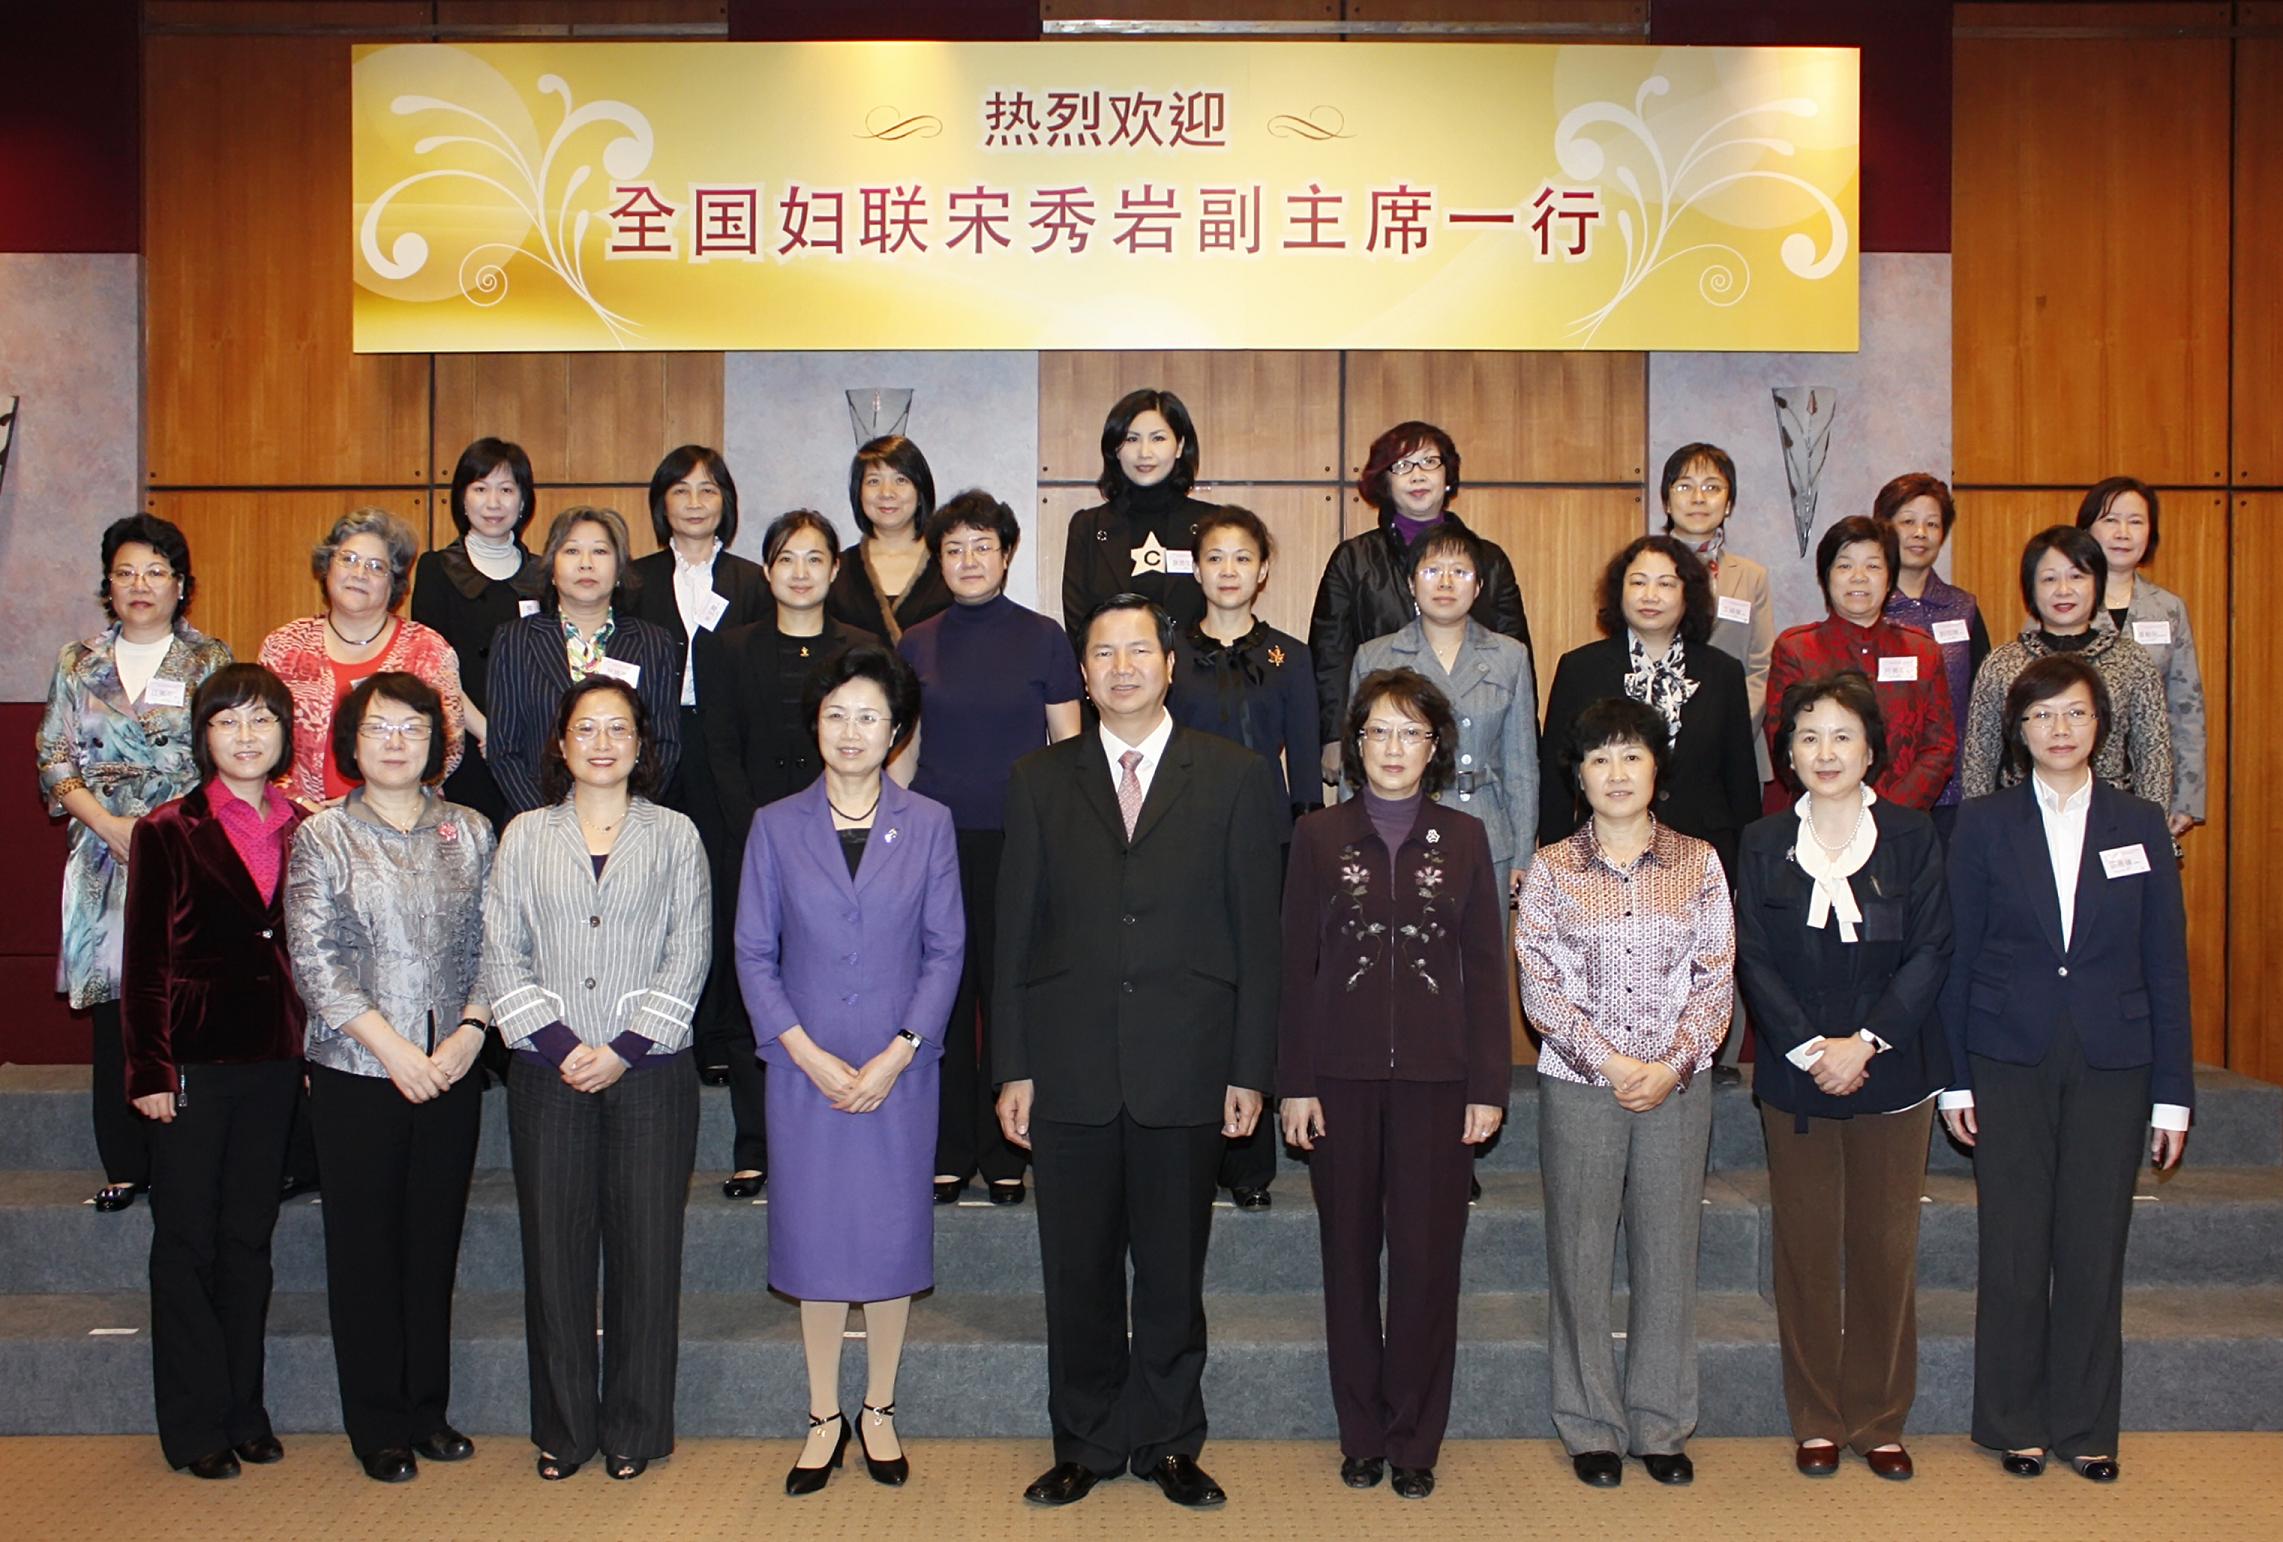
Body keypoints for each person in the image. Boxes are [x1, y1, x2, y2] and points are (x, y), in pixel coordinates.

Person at [994, 594, 1283, 1510]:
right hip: (1067, 1065)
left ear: (1169, 665)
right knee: (1075, 1271)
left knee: (1170, 1271)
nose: (1121, 667)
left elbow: (1258, 938)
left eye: (1137, 651)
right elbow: (1013, 937)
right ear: (1082, 675)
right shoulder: (1038, 779)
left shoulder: (1235, 776)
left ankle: (1166, 1440)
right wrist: (1012, 1064)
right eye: (1103, 654)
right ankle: (1083, 1440)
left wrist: (1249, 1069)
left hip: (1187, 1061)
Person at [1940, 654, 2191, 1484]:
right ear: (2017, 730)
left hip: (2114, 1059)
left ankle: (2086, 1426)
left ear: (2100, 727)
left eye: (2075, 713)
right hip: (2005, 1054)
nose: (2059, 729)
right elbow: (1957, 957)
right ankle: (2012, 1422)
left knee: (2093, 1245)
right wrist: (1956, 1078)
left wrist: (2172, 1096)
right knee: (2013, 1246)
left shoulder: (2139, 823)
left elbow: (2165, 963)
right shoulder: (1981, 823)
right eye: (2042, 715)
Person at [734, 645, 963, 1495]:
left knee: (890, 1238)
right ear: (815, 726)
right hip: (806, 1072)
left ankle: (880, 1409)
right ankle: (823, 1415)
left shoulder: (929, 823)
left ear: (895, 730)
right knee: (817, 1239)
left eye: (869, 716)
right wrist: (803, 1052)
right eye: (836, 715)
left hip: (899, 1071)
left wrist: (900, 1050)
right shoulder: (774, 825)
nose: (852, 731)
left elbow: (946, 950)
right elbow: (753, 953)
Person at [1279, 669, 1508, 1500]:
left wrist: (1488, 1085)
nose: (1392, 748)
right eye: (1377, 731)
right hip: (1336, 1080)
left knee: (1425, 1265)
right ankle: (1361, 1434)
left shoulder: (1466, 839)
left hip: (1437, 1081)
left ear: (1434, 746)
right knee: (1346, 1262)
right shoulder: (1316, 836)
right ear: (1355, 744)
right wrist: (1293, 1083)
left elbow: (1485, 970)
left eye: (1410, 732)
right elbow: (1294, 969)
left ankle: (1414, 1439)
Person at [480, 676, 709, 1482]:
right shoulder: (523, 835)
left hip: (651, 1071)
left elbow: (689, 951)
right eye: (586, 729)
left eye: (618, 729)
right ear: (560, 743)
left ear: (641, 745)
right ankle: (565, 1429)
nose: (602, 743)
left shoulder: (675, 834)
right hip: (547, 1071)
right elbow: (501, 950)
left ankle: (635, 1430)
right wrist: (556, 1040)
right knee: (555, 1254)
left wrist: (625, 1046)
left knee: (647, 1255)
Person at [1733, 672, 1952, 1482]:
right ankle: (1817, 1417)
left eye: (1841, 736)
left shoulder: (1910, 836)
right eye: (1807, 737)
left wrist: (1864, 1043)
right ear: (1787, 754)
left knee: (1884, 1248)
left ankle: (1878, 1418)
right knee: (1806, 1250)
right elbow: (1751, 955)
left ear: (1869, 751)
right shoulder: (1761, 842)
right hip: (1795, 1076)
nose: (1824, 752)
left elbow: (1931, 948)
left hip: (1893, 1070)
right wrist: (1808, 1048)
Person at [1517, 697, 1734, 1490]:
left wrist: (1671, 1064)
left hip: (1677, 1087)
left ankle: (1660, 1423)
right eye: (1599, 757)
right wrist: (1609, 1063)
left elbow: (1715, 976)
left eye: (1631, 755)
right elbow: (1539, 985)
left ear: (1656, 769)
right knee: (1579, 1256)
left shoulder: (1698, 862)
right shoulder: (1550, 868)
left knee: (1667, 1254)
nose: (1615, 772)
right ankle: (1590, 1426)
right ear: (1577, 775)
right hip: (1581, 1085)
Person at [285, 673, 495, 1483]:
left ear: (437, 741)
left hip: (453, 1067)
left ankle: (427, 1412)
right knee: (364, 1250)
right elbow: (317, 961)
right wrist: (393, 1050)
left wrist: (473, 1029)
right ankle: (376, 1424)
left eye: (413, 727)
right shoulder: (324, 836)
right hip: (357, 1072)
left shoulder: (470, 830)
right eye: (379, 728)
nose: (396, 742)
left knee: (432, 1244)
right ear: (352, 741)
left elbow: (496, 942)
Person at [118, 664, 305, 1479]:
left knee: (249, 1241)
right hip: (191, 1063)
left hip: (276, 1061)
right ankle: (195, 1425)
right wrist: (149, 1069)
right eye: (228, 721)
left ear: (285, 734)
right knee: (187, 1242)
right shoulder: (168, 829)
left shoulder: (305, 826)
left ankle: (245, 1412)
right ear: (204, 736)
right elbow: (144, 963)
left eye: (262, 720)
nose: (246, 736)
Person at [37, 514, 231, 1213]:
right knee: (115, 1009)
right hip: (104, 852)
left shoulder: (209, 660)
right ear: (108, 585)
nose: (140, 585)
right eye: (125, 573)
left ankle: (184, 1157)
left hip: (187, 852)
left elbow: (229, 755)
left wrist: (163, 830)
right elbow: (53, 756)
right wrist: (109, 824)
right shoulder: (77, 661)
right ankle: (124, 1161)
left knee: (184, 1003)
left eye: (156, 572)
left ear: (181, 585)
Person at [897, 491, 1084, 1206]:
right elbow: (905, 752)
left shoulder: (1044, 638)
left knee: (1009, 993)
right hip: (935, 845)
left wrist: (1066, 847)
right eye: (954, 548)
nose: (969, 560)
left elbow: (1068, 750)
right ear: (937, 560)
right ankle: (949, 1146)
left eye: (982, 546)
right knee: (944, 996)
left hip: (1021, 844)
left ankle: (1008, 1148)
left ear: (1007, 555)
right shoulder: (916, 641)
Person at [694, 508, 880, 1196]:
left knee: (835, 985)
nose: (800, 572)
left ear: (836, 569)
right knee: (759, 988)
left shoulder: (862, 647)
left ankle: (833, 1132)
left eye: (814, 558)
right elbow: (719, 750)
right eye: (786, 559)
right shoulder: (727, 647)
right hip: (754, 840)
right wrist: (761, 835)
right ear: (766, 570)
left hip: (846, 843)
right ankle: (756, 1144)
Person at [1167, 504, 1320, 1208]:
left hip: (1267, 840)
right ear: (1196, 570)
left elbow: (1306, 768)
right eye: (1214, 557)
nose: (1227, 571)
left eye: (1242, 558)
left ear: (1262, 572)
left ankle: (1250, 1166)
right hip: (1180, 842)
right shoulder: (1167, 650)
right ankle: (1190, 1152)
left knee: (1258, 990)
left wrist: (1304, 846)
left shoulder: (1290, 656)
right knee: (1191, 992)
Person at [625, 447, 769, 1197]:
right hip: (649, 747)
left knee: (720, 886)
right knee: (653, 891)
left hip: (722, 747)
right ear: (661, 502)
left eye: (707, 489)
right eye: (679, 489)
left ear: (726, 501)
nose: (693, 501)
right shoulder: (634, 578)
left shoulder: (749, 579)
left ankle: (716, 1030)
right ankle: (661, 1024)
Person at [1310, 421, 1533, 789]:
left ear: (1448, 476)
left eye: (1429, 462)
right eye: (1402, 465)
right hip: (1387, 737)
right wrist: (1335, 736)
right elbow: (1330, 653)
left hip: (1474, 737)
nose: (1417, 475)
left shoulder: (1488, 559)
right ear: (1385, 481)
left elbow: (1515, 653)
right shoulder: (1354, 558)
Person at [1538, 534, 1759, 877]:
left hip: (1704, 853)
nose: (1650, 595)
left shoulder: (1723, 672)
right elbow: (1557, 776)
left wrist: (1749, 871)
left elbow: (1740, 779)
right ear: (1619, 591)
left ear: (1688, 594)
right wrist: (1555, 863)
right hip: (1603, 853)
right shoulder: (1579, 669)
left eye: (1666, 584)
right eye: (1638, 582)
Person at [1351, 522, 1539, 897]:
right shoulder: (1375, 656)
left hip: (1486, 830)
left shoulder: (1509, 656)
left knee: (1480, 935)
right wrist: (1354, 840)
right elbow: (1354, 762)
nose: (1446, 583)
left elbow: (1521, 766)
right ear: (1410, 584)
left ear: (1479, 586)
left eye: (1460, 572)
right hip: (1399, 827)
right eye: (1432, 570)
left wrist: (1522, 852)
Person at [259, 507, 464, 809]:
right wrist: (299, 803)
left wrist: (371, 803)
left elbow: (448, 748)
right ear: (327, 566)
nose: (359, 574)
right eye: (349, 559)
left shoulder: (426, 649)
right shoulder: (284, 646)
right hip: (297, 816)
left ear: (394, 583)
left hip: (397, 817)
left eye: (376, 566)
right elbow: (260, 734)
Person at [485, 505, 682, 816]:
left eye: (600, 552)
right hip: (536, 821)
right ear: (552, 569)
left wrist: (624, 815)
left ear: (619, 570)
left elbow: (665, 744)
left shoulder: (654, 643)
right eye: (572, 551)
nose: (586, 563)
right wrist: (548, 822)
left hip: (627, 824)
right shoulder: (515, 640)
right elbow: (504, 750)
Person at [1959, 526, 2172, 808]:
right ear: (2030, 588)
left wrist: (2151, 824)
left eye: (2076, 576)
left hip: (2111, 815)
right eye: (2049, 579)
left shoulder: (2133, 661)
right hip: (2020, 815)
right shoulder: (2001, 664)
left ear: (2098, 583)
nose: (2063, 590)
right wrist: (1977, 824)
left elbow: (2153, 754)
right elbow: (1979, 758)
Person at [1764, 515, 1954, 813]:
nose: (1859, 577)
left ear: (1890, 578)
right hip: (1819, 815)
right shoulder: (1796, 649)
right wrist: (1841, 807)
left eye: (1873, 566)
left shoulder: (1923, 651)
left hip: (1902, 819)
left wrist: (1890, 812)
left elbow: (1939, 746)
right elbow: (1783, 738)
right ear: (1825, 577)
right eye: (1845, 565)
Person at [409, 438, 547, 825]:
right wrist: (487, 730)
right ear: (462, 498)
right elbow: (433, 667)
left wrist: (516, 738)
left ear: (523, 501)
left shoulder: (544, 574)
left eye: (507, 490)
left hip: (530, 747)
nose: (493, 503)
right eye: (480, 489)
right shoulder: (436, 569)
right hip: (465, 741)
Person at [2077, 476, 2206, 838]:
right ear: (2086, 529)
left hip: (2150, 780)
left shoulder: (2168, 608)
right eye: (2110, 520)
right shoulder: (2060, 600)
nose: (2123, 533)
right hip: (2074, 773)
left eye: (2135, 522)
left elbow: (2186, 707)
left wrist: (2187, 798)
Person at [1876, 473, 1992, 841]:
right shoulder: (1866, 609)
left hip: (1954, 788)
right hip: (1881, 787)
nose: (1920, 533)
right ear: (1885, 528)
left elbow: (1984, 699)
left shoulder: (1964, 607)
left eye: (1932, 524)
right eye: (1908, 521)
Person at [1061, 388, 1219, 642]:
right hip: (1115, 666)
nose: (1145, 452)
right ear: (1115, 449)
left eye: (1158, 438)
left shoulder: (1212, 525)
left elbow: (1224, 614)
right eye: (1132, 439)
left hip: (1195, 666)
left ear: (1179, 446)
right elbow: (1081, 628)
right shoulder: (1087, 527)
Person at [1658, 442, 1774, 783]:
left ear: (1729, 504)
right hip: (1657, 746)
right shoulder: (1642, 570)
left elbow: (1760, 668)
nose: (1698, 498)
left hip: (1732, 745)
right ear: (1667, 503)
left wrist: (1728, 732)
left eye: (1712, 487)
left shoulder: (1752, 576)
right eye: (1685, 487)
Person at [828, 434, 953, 642]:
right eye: (874, 481)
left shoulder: (950, 563)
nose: (886, 493)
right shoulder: (837, 570)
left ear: (920, 490)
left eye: (900, 480)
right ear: (859, 492)